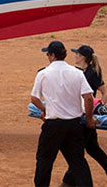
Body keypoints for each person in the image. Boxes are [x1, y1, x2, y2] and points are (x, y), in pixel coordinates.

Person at [30, 40, 95, 187]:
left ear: (52, 55)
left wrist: (45, 110)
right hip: (73, 125)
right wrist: (90, 119)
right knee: (78, 162)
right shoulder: (77, 73)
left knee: (44, 161)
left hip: (53, 125)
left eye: (48, 54)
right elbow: (88, 97)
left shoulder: (44, 73)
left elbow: (34, 98)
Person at [70, 45, 107, 187]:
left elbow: (104, 92)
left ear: (82, 57)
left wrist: (97, 108)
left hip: (85, 115)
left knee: (78, 151)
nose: (75, 56)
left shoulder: (92, 73)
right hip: (84, 113)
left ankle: (68, 182)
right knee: (92, 149)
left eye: (77, 54)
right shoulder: (77, 72)